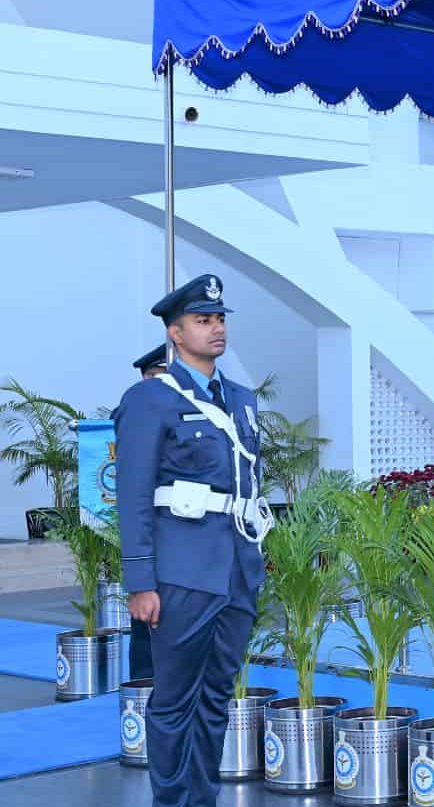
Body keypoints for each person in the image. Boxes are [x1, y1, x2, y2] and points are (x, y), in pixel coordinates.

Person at [114, 274, 272, 807]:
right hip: (180, 573)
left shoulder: (243, 400)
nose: (216, 328)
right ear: (175, 334)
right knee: (174, 700)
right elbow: (134, 496)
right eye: (203, 321)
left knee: (215, 698)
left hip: (235, 570)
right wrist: (140, 581)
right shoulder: (149, 400)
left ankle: (202, 799)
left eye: (220, 319)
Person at [125, 343, 169, 681]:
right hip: (152, 534)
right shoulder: (137, 415)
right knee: (146, 634)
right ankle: (141, 701)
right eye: (158, 377)